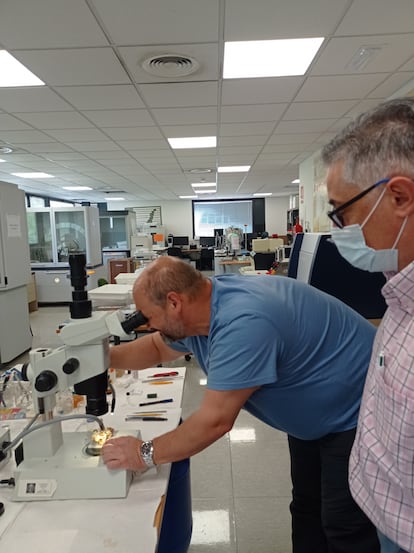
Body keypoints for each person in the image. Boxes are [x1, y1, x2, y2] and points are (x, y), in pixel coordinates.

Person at [102, 256, 379, 553]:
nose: (146, 325)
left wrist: (143, 453)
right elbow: (157, 347)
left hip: (360, 414)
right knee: (307, 509)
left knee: (344, 524)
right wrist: (100, 358)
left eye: (147, 316)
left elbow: (215, 421)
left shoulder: (243, 323)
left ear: (173, 302)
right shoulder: (203, 308)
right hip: (316, 419)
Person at [321, 97, 414, 553]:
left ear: (399, 197)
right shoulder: (400, 287)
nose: (339, 230)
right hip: (386, 515)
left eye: (342, 212)